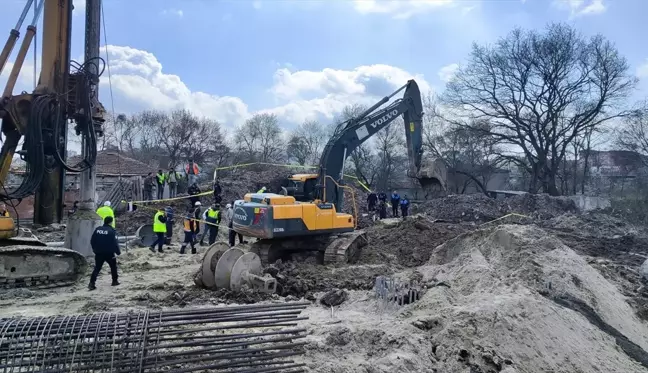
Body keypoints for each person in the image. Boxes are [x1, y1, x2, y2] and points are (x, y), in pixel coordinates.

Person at [88, 216, 120, 290]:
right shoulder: (112, 231)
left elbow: (92, 240)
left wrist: (94, 249)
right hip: (109, 253)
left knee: (97, 268)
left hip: (98, 252)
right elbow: (115, 243)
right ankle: (114, 281)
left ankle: (91, 283)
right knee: (113, 267)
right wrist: (118, 252)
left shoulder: (98, 229)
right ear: (110, 222)